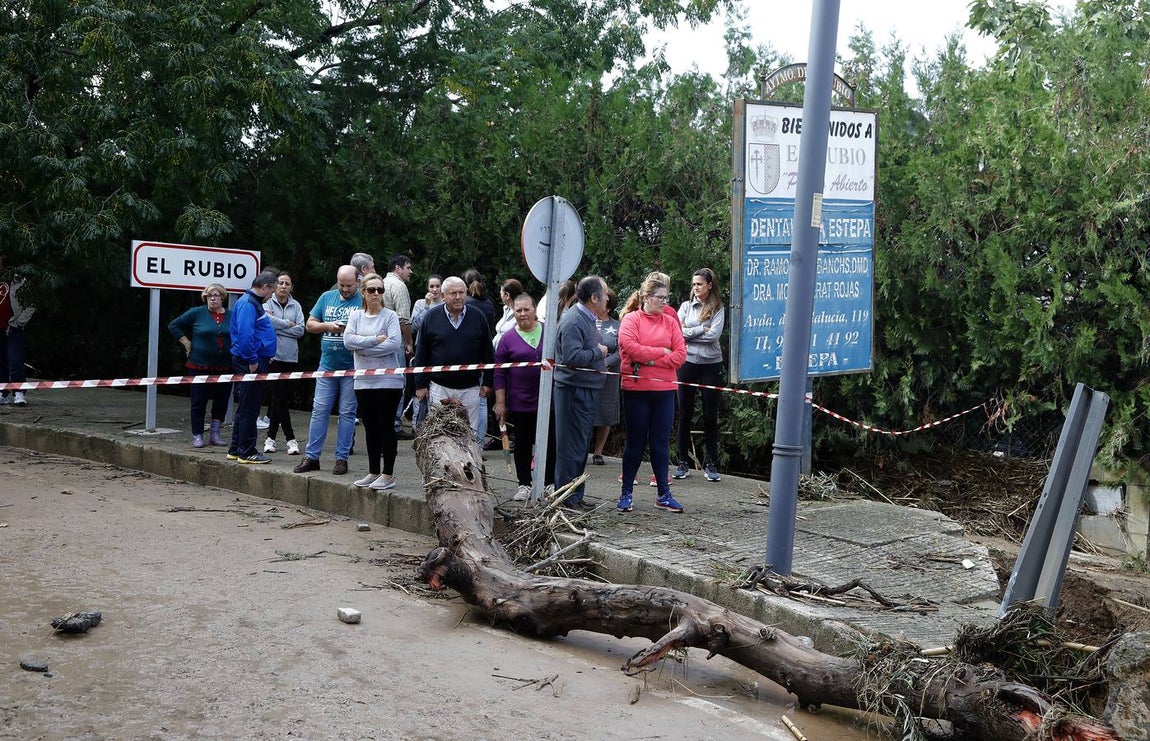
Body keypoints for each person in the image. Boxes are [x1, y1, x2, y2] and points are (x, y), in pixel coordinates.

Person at [617, 277, 686, 513]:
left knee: (660, 444)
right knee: (635, 442)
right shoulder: (631, 319)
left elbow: (680, 355)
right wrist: (659, 354)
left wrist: (648, 359)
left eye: (667, 298)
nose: (665, 302)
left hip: (665, 390)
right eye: (660, 298)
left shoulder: (670, 321)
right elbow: (629, 347)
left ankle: (663, 494)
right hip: (636, 389)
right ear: (646, 298)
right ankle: (626, 493)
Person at [295, 265, 361, 476]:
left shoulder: (363, 300)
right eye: (341, 284)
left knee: (347, 413)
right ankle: (312, 456)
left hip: (351, 367)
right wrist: (329, 326)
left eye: (349, 285)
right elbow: (310, 324)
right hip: (327, 366)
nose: (344, 289)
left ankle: (341, 458)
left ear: (357, 282)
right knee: (319, 411)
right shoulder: (327, 297)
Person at [553, 275, 611, 509]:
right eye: (605, 294)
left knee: (579, 446)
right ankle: (566, 499)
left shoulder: (587, 318)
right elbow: (572, 357)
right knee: (570, 447)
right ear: (594, 297)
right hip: (574, 391)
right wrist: (600, 352)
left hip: (585, 389)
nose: (608, 298)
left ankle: (575, 496)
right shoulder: (574, 321)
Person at [343, 273, 405, 491]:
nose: (376, 294)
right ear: (363, 292)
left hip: (388, 381)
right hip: (363, 381)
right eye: (372, 290)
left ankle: (388, 473)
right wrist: (372, 340)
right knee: (370, 428)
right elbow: (348, 341)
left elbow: (393, 344)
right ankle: (373, 471)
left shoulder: (390, 316)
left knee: (386, 426)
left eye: (380, 290)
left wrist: (363, 346)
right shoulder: (356, 316)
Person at [493, 293, 555, 502]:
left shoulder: (549, 333)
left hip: (548, 401)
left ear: (535, 310)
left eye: (526, 309)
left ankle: (548, 483)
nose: (522, 314)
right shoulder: (507, 339)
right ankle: (524, 484)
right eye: (518, 310)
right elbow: (499, 373)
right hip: (520, 402)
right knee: (523, 444)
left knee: (549, 442)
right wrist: (500, 402)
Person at [413, 276, 493, 436]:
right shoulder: (431, 317)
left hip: (471, 388)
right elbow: (421, 353)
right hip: (439, 388)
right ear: (443, 296)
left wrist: (488, 382)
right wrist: (420, 385)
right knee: (441, 437)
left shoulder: (478, 316)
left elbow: (488, 351)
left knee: (470, 436)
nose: (458, 297)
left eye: (461, 292)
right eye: (453, 293)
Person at [674, 268, 726, 482]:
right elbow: (676, 332)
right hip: (686, 363)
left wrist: (691, 332)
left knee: (709, 415)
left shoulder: (718, 308)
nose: (696, 288)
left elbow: (714, 335)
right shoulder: (686, 306)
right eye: (694, 284)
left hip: (710, 365)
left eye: (700, 284)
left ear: (710, 285)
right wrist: (700, 330)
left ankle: (711, 463)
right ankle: (682, 462)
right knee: (684, 414)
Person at [167, 283, 233, 447]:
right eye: (209, 296)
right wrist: (186, 342)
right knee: (198, 400)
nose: (212, 298)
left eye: (216, 295)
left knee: (221, 400)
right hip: (199, 366)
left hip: (224, 366)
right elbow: (174, 325)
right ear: (205, 298)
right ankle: (197, 435)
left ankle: (215, 434)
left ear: (222, 297)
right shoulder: (197, 313)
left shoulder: (231, 315)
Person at [227, 271, 278, 463]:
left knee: (245, 406)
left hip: (252, 358)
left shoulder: (250, 302)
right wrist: (252, 359)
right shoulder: (250, 304)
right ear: (265, 287)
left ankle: (236, 448)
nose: (272, 294)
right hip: (250, 361)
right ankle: (247, 450)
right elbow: (245, 335)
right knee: (250, 408)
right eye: (272, 290)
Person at [262, 271, 305, 455]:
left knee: (278, 400)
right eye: (281, 283)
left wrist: (278, 327)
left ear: (291, 287)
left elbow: (301, 330)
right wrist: (288, 323)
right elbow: (267, 323)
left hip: (290, 358)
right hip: (273, 358)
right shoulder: (266, 305)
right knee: (280, 399)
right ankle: (291, 439)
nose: (284, 287)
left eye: (287, 283)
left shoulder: (296, 306)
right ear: (275, 285)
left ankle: (270, 438)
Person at [462, 269, 497, 446]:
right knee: (482, 402)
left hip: (469, 356)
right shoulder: (489, 304)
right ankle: (479, 443)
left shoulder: (467, 305)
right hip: (485, 354)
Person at [383, 255, 415, 438]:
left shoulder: (380, 283)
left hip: (379, 342)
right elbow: (403, 319)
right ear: (398, 268)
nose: (410, 271)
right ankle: (394, 425)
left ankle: (386, 423)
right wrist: (409, 342)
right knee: (398, 383)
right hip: (395, 343)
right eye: (408, 267)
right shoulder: (399, 286)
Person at [410, 273, 443, 433]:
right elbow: (415, 326)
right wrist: (427, 306)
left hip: (440, 351)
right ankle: (419, 425)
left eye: (437, 286)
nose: (435, 289)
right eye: (432, 286)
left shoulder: (446, 303)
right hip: (423, 349)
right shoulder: (420, 303)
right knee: (421, 389)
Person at [591, 288, 620, 466]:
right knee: (586, 410)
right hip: (587, 373)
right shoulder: (587, 321)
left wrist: (606, 363)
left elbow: (621, 351)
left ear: (608, 307)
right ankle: (581, 449)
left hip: (609, 376)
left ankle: (598, 452)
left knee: (606, 412)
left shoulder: (618, 326)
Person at [0, 256, 35, 407]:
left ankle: (19, 392)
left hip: (12, 327)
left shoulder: (19, 281)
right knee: (0, 361)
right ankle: (3, 392)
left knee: (15, 359)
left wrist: (19, 322)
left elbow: (31, 303)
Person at [492, 278, 523, 349]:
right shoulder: (506, 309)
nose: (500, 295)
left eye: (501, 292)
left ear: (507, 295)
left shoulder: (521, 314)